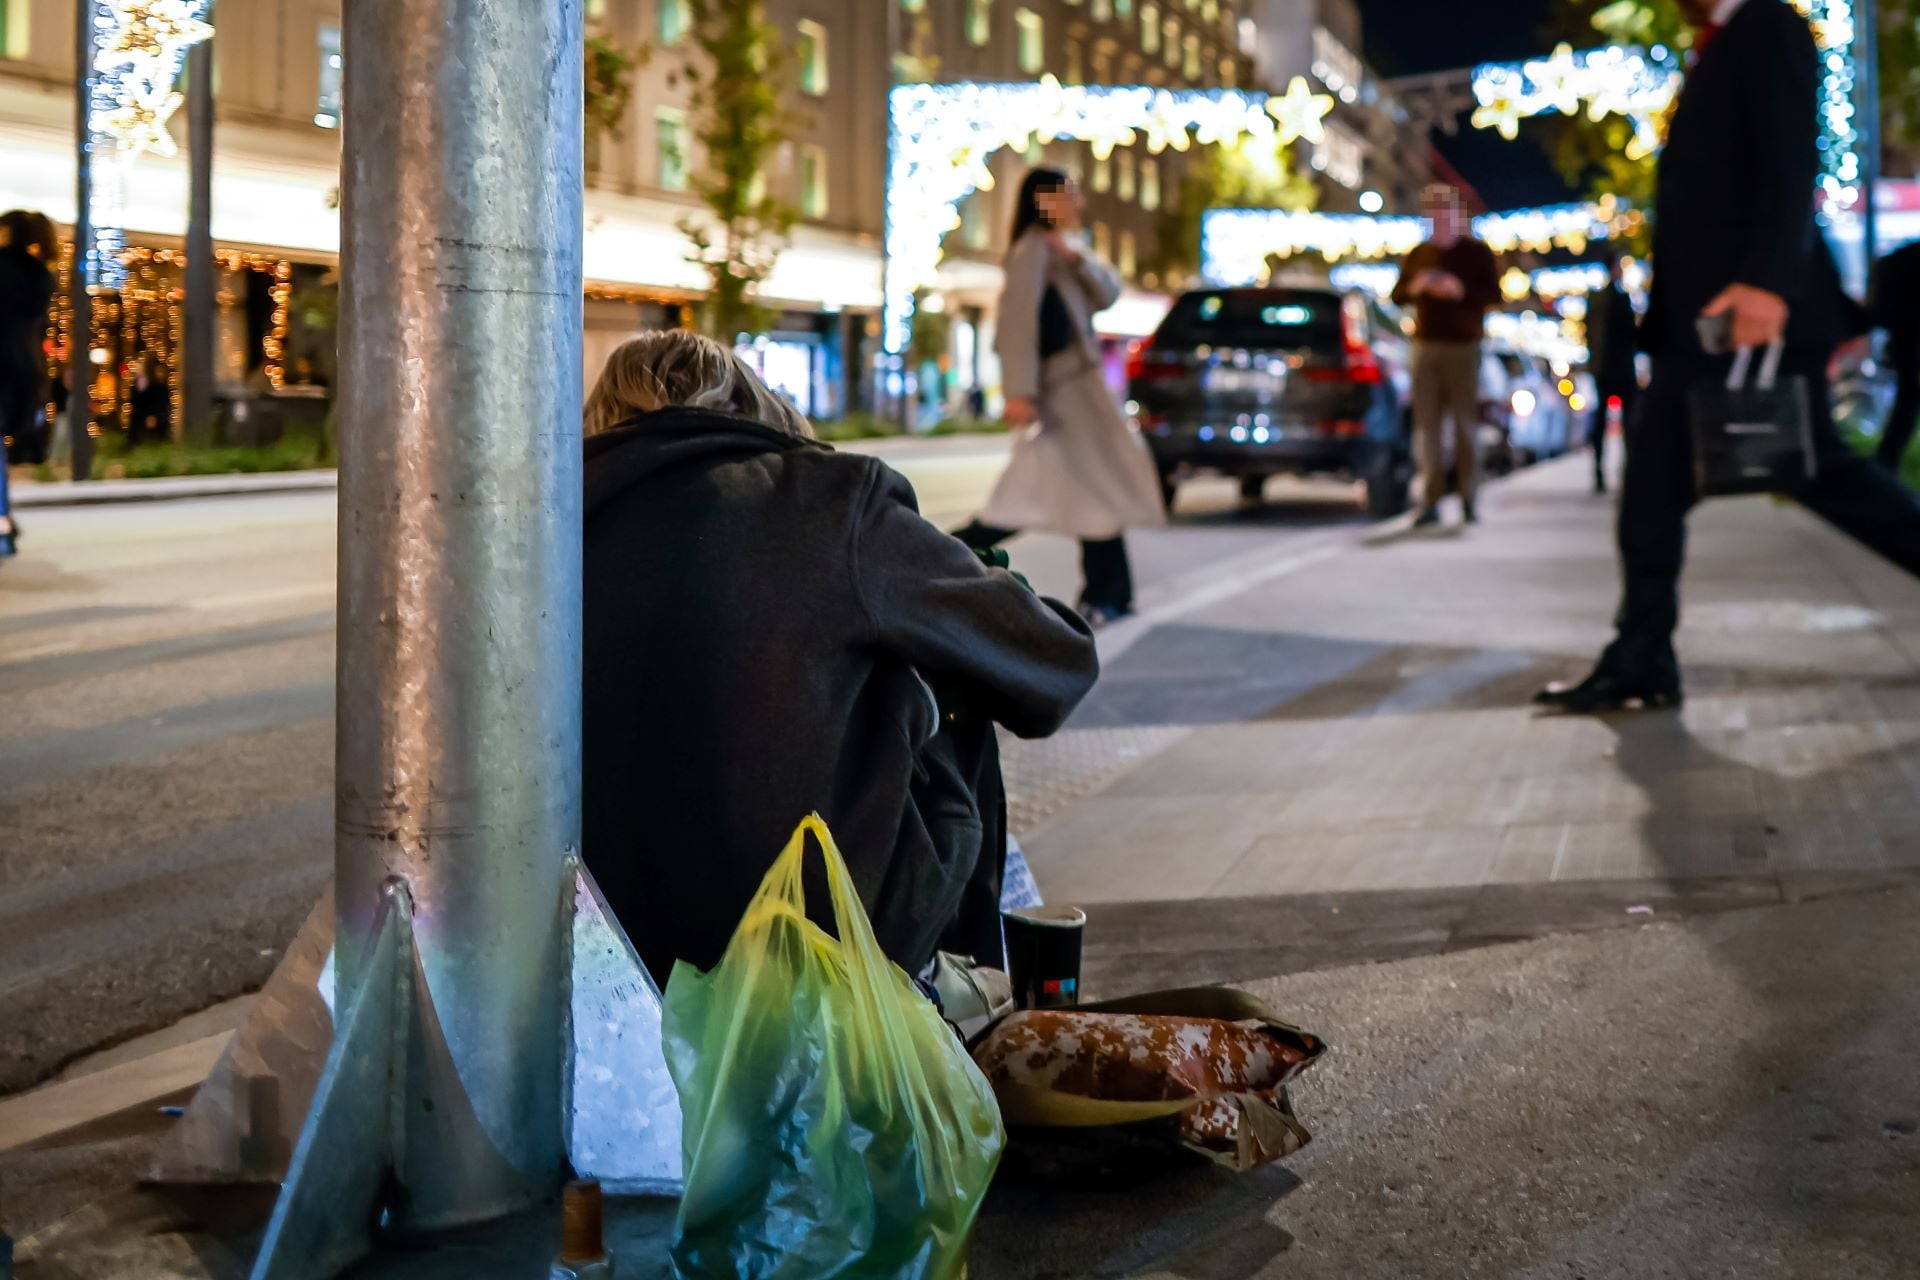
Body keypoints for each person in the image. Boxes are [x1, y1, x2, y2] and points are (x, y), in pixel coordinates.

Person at [580, 329, 1100, 990]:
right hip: (819, 939)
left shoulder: (545, 515)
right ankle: (962, 990)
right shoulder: (829, 499)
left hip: (597, 942)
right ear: (757, 406)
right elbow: (1056, 663)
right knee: (948, 668)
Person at [1538, 0, 1920, 715]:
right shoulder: (1722, 40)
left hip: (1750, 313)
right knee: (1654, 482)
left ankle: (1642, 655)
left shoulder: (1769, 25)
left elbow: (1791, 164)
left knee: (1823, 474)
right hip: (1709, 322)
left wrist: (1768, 284)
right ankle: (1641, 656)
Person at [951, 167, 1165, 627]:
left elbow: (1108, 293)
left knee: (1088, 490)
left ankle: (1109, 592)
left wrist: (1073, 256)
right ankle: (940, 557)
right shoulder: (1030, 251)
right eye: (1069, 194)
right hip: (1061, 393)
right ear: (1043, 200)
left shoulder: (1064, 250)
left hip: (1078, 391)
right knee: (1052, 493)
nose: (1078, 203)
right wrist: (1019, 392)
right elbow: (1018, 326)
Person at [1391, 183, 1503, 527]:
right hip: (1425, 346)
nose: (1439, 218)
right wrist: (1418, 286)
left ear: (1457, 215)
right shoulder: (1419, 254)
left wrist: (1460, 290)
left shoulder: (1476, 252)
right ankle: (1431, 500)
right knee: (1428, 428)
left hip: (1463, 347)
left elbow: (1494, 295)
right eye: (1434, 212)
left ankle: (1468, 497)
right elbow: (1397, 295)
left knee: (1465, 425)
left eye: (1445, 212)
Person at [0, 210, 58, 559]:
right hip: (24, 369)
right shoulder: (41, 276)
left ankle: (3, 524)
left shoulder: (3, 269)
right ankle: (3, 523)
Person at [1585, 250, 1640, 495]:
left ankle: (1611, 470)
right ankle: (1617, 471)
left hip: (1608, 367)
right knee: (1622, 421)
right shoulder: (1616, 299)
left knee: (1609, 421)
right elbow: (1631, 335)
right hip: (1616, 367)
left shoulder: (1600, 299)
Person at [1870, 239, 1920, 471]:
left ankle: (1884, 465)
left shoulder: (1901, 257)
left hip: (1905, 346)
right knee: (1905, 409)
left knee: (1905, 410)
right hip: (1910, 346)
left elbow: (1880, 312)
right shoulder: (1907, 258)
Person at [128, 356, 171, 447]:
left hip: (153, 424)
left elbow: (162, 405)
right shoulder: (136, 385)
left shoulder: (158, 387)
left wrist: (155, 417)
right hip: (138, 424)